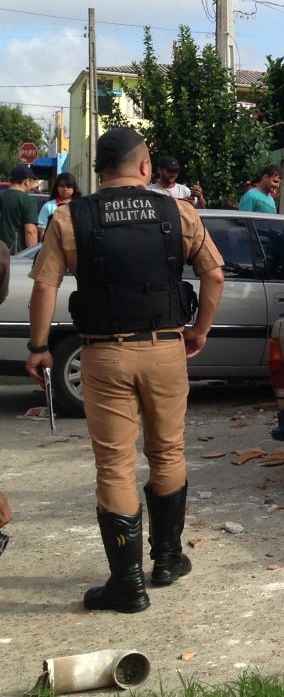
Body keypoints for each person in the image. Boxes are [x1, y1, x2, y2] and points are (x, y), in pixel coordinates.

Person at [26, 127, 225, 613]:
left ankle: (127, 584)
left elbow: (44, 288)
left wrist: (38, 348)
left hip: (104, 354)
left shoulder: (71, 217)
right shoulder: (177, 211)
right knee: (168, 450)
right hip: (165, 349)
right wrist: (198, 330)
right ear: (144, 167)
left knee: (114, 464)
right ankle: (168, 559)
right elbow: (214, 274)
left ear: (99, 171)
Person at [0, 165, 40, 253]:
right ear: (27, 181)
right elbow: (30, 231)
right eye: (32, 182)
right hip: (16, 255)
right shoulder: (27, 200)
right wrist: (32, 255)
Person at [37, 172, 82, 240]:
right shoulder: (48, 206)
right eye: (62, 186)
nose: (65, 189)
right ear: (57, 187)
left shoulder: (80, 206)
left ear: (74, 188)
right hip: (53, 245)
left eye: (69, 186)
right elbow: (42, 231)